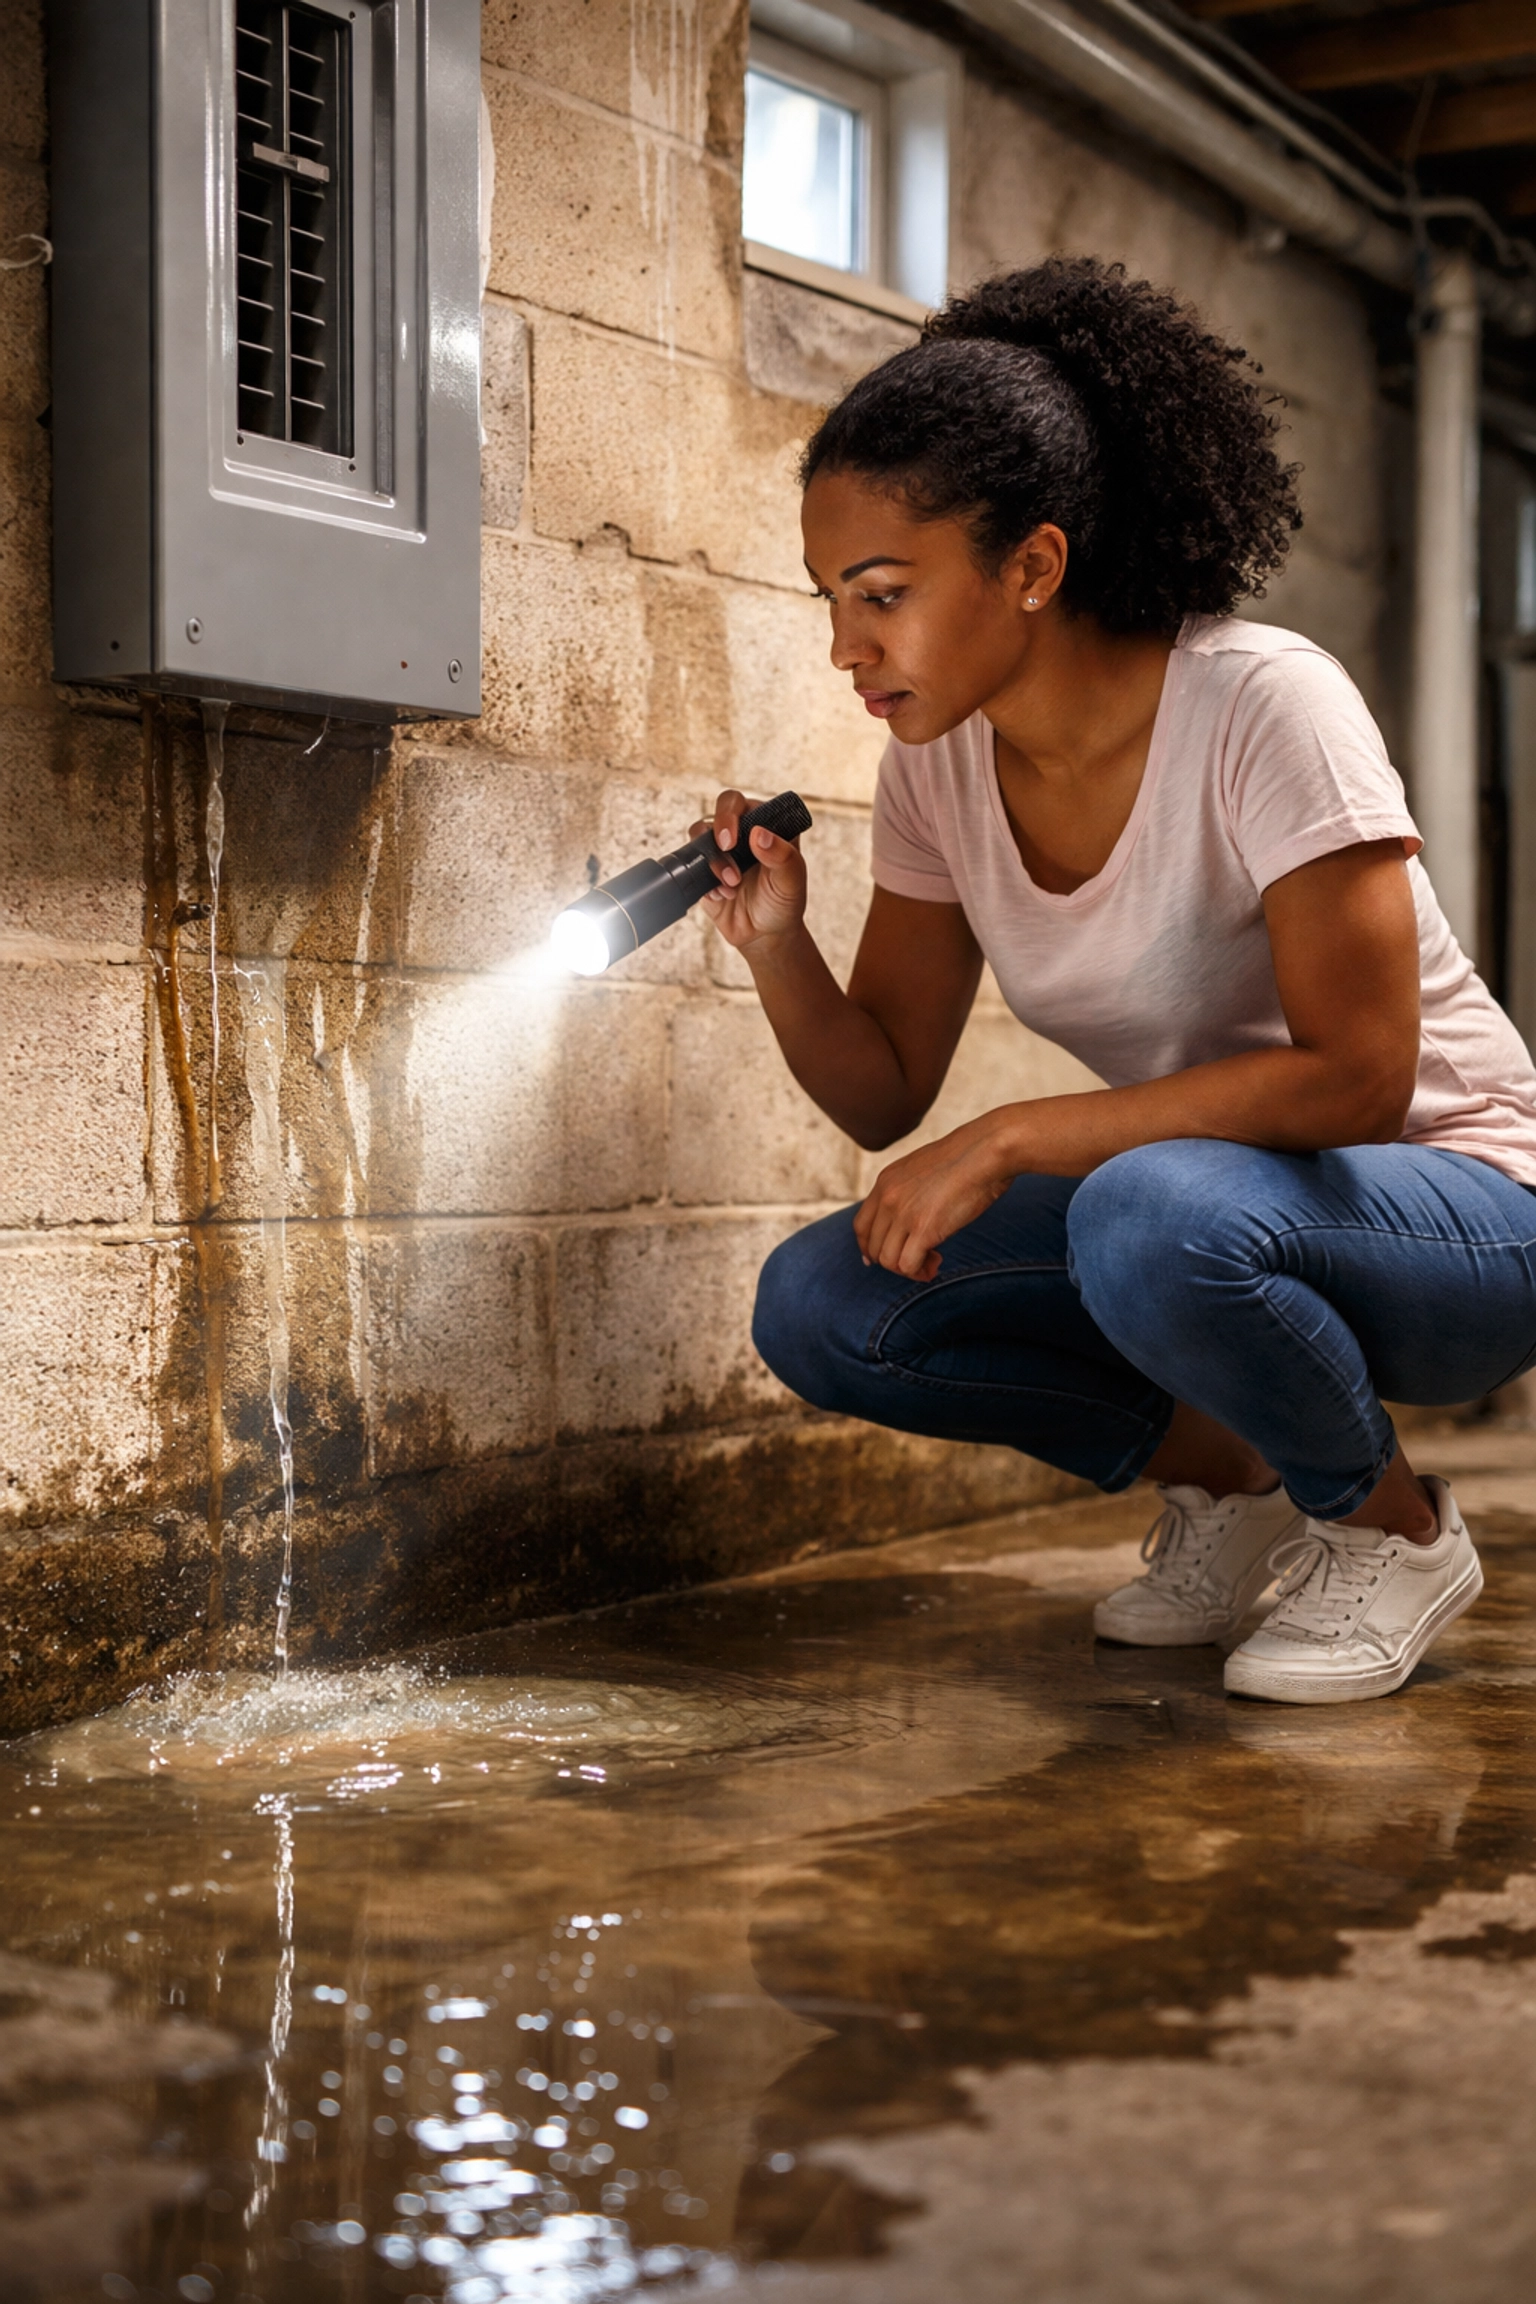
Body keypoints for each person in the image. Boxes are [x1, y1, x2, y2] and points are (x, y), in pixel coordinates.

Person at [697, 255, 1536, 1707]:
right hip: (1219, 1217)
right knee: (826, 1301)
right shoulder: (939, 771)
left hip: (1463, 1210)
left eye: (884, 594)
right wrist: (778, 943)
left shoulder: (1264, 704)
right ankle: (1249, 1488)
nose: (848, 649)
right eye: (835, 599)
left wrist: (1018, 1134)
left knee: (1146, 1214)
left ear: (1034, 563)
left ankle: (1392, 1530)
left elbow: (1359, 1079)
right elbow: (885, 1086)